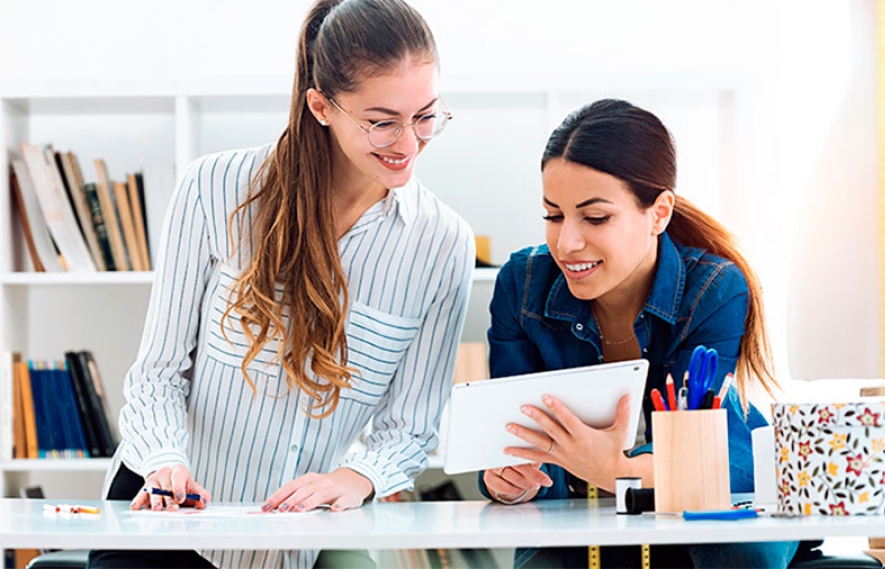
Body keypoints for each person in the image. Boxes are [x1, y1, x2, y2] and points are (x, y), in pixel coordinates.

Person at [88, 0, 473, 567]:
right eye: (382, 121)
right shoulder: (212, 189)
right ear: (321, 105)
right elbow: (157, 374)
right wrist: (164, 460)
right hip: (167, 523)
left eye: (426, 116)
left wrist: (358, 475)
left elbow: (412, 426)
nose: (409, 143)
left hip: (291, 543)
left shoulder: (443, 245)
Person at [479, 99, 798, 568]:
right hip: (576, 522)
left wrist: (618, 469)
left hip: (701, 516)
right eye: (553, 215)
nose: (567, 242)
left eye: (596, 218)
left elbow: (705, 458)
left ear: (659, 213)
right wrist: (507, 482)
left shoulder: (715, 290)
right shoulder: (521, 285)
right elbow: (508, 442)